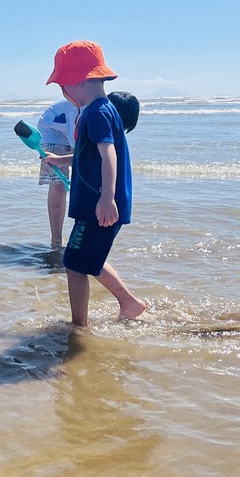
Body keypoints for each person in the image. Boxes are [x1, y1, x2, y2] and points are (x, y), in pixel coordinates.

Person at [43, 41, 146, 327]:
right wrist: (62, 159)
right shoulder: (103, 109)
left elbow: (108, 154)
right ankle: (129, 303)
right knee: (87, 257)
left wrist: (106, 198)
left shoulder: (97, 112)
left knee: (74, 262)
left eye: (62, 84)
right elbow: (91, 153)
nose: (62, 91)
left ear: (78, 82)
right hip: (97, 204)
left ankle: (79, 326)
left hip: (97, 207)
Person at [35, 98, 78, 248]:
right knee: (59, 185)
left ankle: (82, 233)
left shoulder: (101, 108)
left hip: (70, 132)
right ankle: (56, 241)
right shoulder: (78, 108)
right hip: (51, 131)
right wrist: (62, 160)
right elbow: (80, 151)